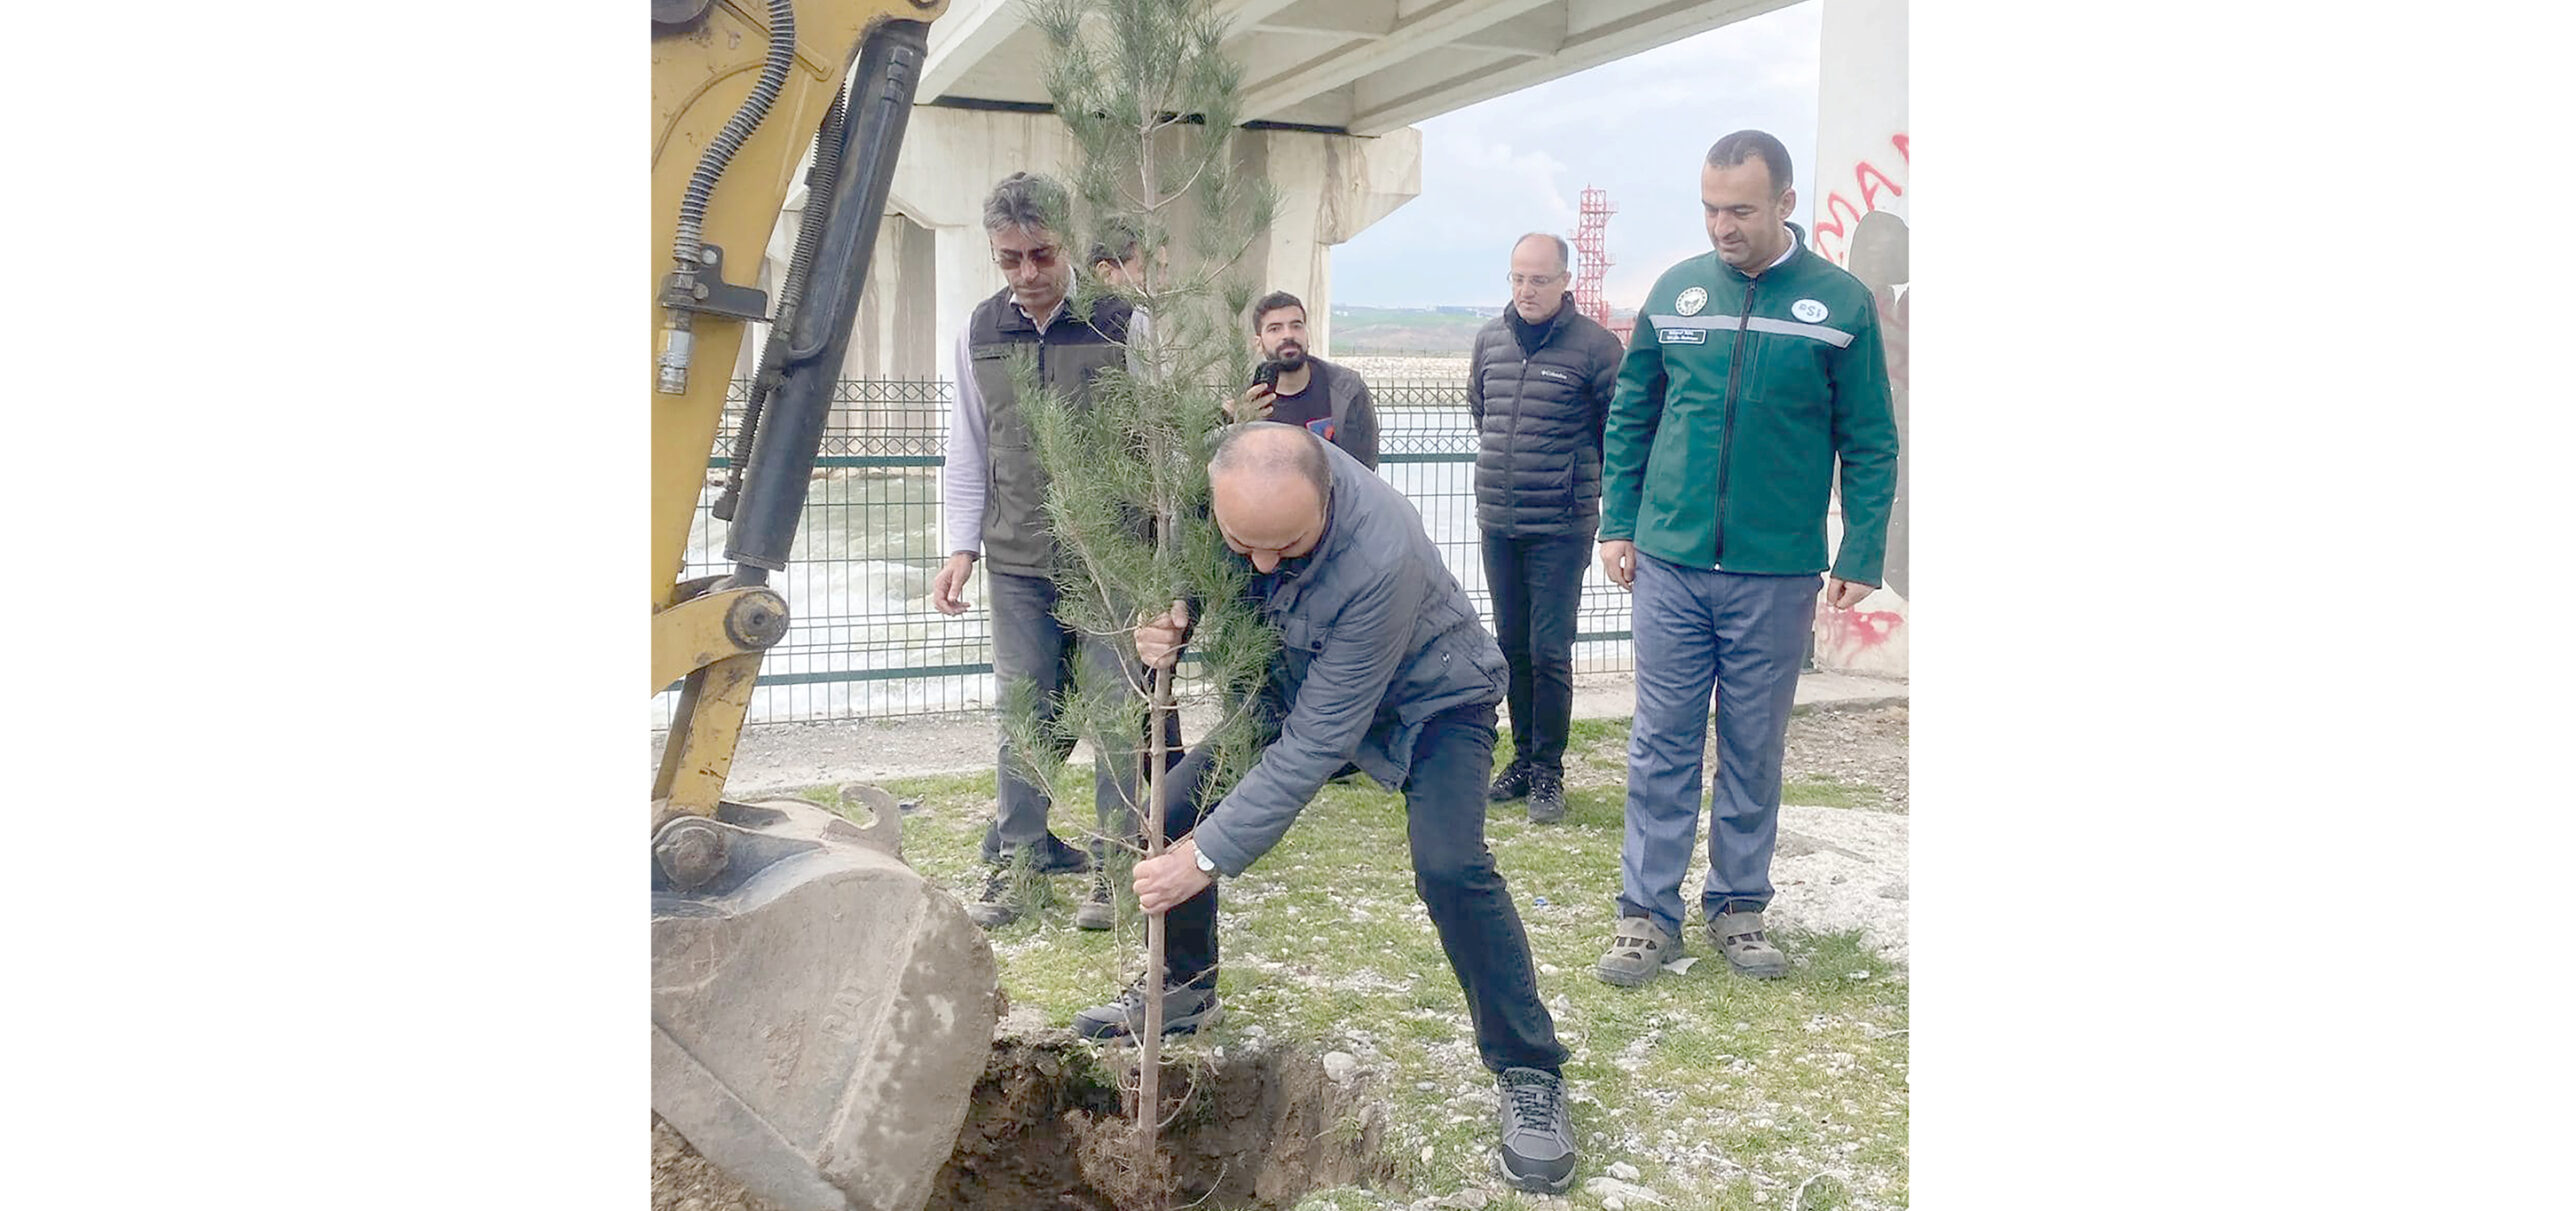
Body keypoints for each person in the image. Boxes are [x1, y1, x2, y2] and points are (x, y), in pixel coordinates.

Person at [1090, 423, 1580, 1196]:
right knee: (1173, 806)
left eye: (1286, 547)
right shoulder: (1216, 476)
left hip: (1433, 698)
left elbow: (1319, 740)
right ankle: (1185, 986)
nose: (1259, 563)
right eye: (1242, 541)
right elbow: (1190, 563)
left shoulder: (1381, 550)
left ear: (1326, 495)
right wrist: (1173, 614)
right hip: (1297, 682)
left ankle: (1530, 1069)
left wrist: (1207, 857)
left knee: (1450, 866)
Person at [1592, 131, 1898, 986]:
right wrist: (1618, 521)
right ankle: (1645, 916)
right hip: (1670, 562)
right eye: (1711, 209)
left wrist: (1861, 546)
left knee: (1753, 741)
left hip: (1777, 568)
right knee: (1662, 738)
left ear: (1785, 205)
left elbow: (1870, 440)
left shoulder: (1839, 303)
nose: (1723, 226)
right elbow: (1631, 415)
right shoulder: (1677, 291)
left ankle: (1737, 905)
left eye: (1741, 210)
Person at [929, 171, 1175, 933]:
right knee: (1024, 715)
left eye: (1041, 254)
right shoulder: (979, 331)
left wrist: (1160, 568)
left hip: (1109, 560)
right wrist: (960, 546)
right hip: (1016, 562)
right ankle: (1021, 863)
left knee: (1112, 717)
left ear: (1067, 243)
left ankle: (1113, 871)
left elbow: (1161, 449)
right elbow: (969, 446)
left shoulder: (1121, 323)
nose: (1028, 274)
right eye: (1011, 259)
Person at [1468, 233, 1624, 825]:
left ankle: (1549, 774)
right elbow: (1481, 409)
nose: (1527, 290)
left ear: (1565, 282)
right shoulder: (1489, 340)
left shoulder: (1597, 348)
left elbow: (1618, 434)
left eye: (1538, 279)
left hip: (1562, 525)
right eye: (1517, 279)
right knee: (1512, 648)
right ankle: (1522, 759)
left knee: (1550, 650)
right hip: (1499, 520)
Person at [1223, 291, 1380, 470]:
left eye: (1296, 326)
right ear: (1259, 343)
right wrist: (1238, 428)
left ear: (1307, 334)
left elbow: (1364, 465)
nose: (1288, 335)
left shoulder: (1346, 389)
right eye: (1275, 328)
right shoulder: (1248, 402)